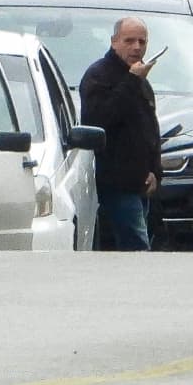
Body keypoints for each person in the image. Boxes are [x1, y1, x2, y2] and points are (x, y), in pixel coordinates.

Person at [79, 16, 163, 251]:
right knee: (136, 246)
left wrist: (155, 171)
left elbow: (150, 131)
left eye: (142, 42)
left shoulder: (140, 81)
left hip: (140, 182)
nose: (137, 47)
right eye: (129, 41)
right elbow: (100, 119)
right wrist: (132, 80)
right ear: (114, 41)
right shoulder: (99, 75)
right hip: (115, 184)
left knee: (139, 242)